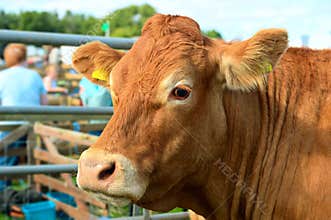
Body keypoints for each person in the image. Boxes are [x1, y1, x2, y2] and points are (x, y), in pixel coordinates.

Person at [0, 43, 47, 190]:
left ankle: (3, 191)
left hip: (9, 127)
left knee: (5, 159)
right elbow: (44, 103)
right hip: (33, 127)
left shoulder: (2, 76)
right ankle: (33, 188)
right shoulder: (35, 75)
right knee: (34, 157)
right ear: (25, 58)